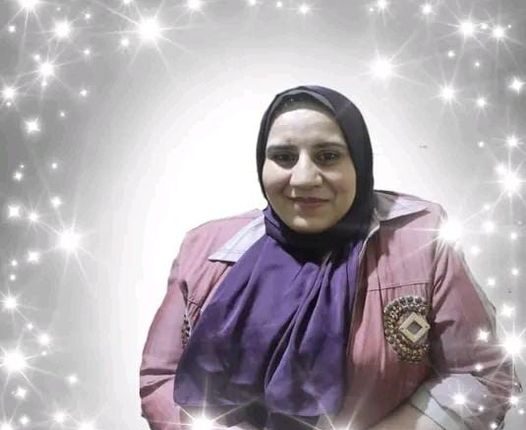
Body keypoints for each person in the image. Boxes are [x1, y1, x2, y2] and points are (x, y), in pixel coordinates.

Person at [139, 85, 521, 430]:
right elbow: (160, 378)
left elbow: (485, 378)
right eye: (284, 157)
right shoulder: (205, 249)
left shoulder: (420, 239)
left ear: (359, 161)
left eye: (328, 156)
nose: (304, 178)